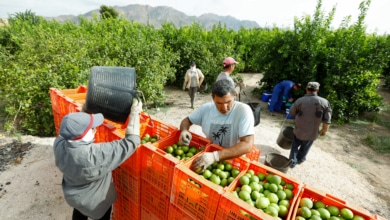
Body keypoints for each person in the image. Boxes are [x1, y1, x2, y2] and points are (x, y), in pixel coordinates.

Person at [53, 99, 142, 220]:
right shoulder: (95, 155)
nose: (95, 130)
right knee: (102, 217)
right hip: (96, 203)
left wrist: (85, 111)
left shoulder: (58, 144)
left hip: (74, 196)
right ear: (83, 136)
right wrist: (135, 113)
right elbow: (132, 141)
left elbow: (73, 129)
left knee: (79, 213)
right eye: (92, 128)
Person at [179, 79, 255, 172]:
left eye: (228, 102)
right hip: (208, 160)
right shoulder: (206, 109)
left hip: (234, 162)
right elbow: (187, 120)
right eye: (219, 103)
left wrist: (215, 156)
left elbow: (247, 145)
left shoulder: (243, 111)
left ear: (235, 94)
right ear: (213, 97)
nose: (224, 108)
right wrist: (184, 130)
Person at [288, 82, 332, 168]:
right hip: (312, 132)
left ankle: (292, 161)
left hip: (298, 130)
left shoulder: (300, 101)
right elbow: (327, 119)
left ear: (306, 89)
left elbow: (292, 113)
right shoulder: (324, 102)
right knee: (306, 146)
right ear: (317, 90)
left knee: (294, 146)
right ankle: (300, 159)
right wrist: (324, 130)